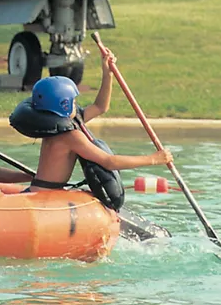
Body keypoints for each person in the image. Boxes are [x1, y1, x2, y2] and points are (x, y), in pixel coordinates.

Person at [9, 49, 172, 210]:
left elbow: (100, 107)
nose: (76, 104)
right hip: (44, 198)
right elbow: (109, 162)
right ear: (63, 105)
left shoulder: (56, 127)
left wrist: (107, 74)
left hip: (41, 191)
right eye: (72, 101)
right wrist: (153, 159)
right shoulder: (70, 136)